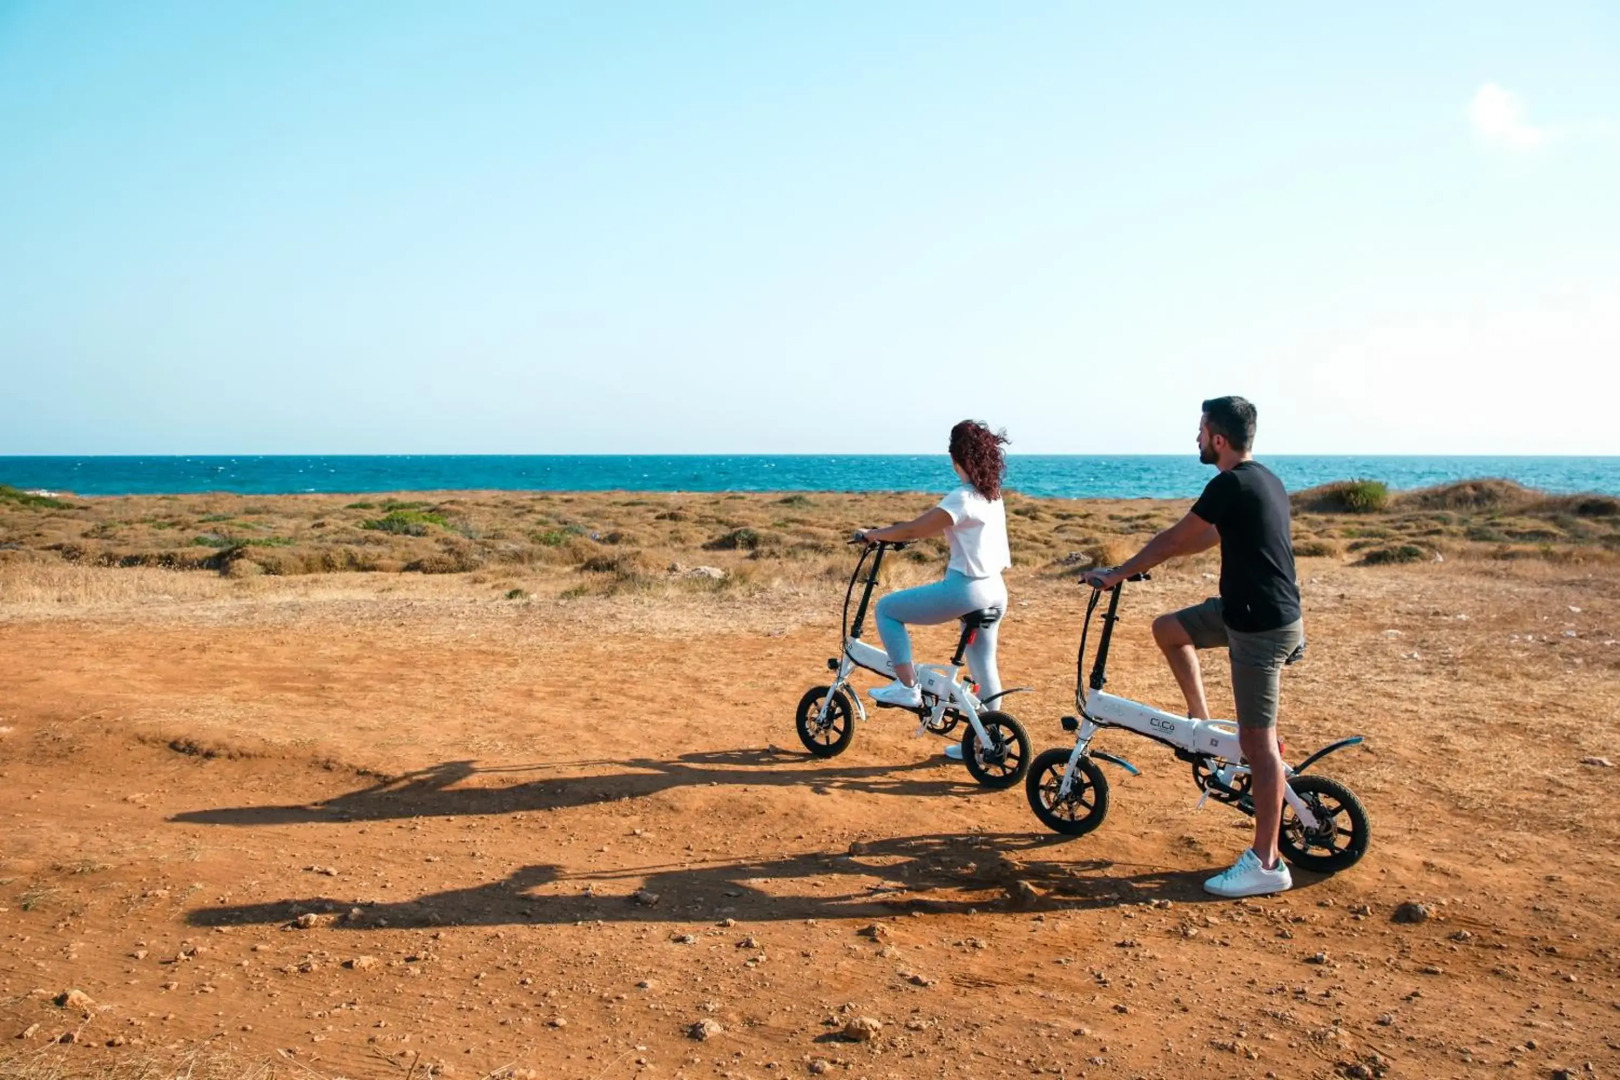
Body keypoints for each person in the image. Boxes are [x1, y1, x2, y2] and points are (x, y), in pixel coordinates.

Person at [1082, 396, 1304, 898]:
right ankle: (1202, 728)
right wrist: (1149, 562)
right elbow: (1205, 537)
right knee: (1169, 629)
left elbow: (1175, 538)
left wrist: (1119, 572)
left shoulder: (1229, 482)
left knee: (1259, 746)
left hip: (1260, 627)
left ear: (1219, 439)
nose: (1197, 439)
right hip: (1243, 612)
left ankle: (1266, 863)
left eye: (1201, 431)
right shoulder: (1264, 479)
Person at [853, 420, 1013, 761]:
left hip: (966, 590)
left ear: (959, 460)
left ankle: (908, 688)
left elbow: (915, 528)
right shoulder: (992, 496)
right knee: (985, 665)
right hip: (996, 591)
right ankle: (986, 741)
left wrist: (874, 533)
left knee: (887, 609)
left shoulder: (963, 498)